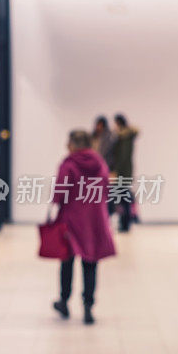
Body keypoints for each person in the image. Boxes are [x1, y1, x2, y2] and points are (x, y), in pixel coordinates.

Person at [52, 130, 116, 324]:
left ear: (74, 144)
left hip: (71, 219)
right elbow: (106, 188)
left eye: (68, 142)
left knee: (67, 262)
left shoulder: (69, 164)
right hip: (94, 219)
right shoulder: (100, 163)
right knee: (90, 262)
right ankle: (88, 306)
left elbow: (59, 193)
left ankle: (64, 302)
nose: (66, 146)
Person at [108, 114, 138, 232]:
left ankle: (126, 223)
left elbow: (122, 157)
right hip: (124, 172)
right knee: (122, 197)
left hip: (122, 173)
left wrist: (116, 171)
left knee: (122, 197)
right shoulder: (124, 137)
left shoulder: (125, 137)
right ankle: (125, 222)